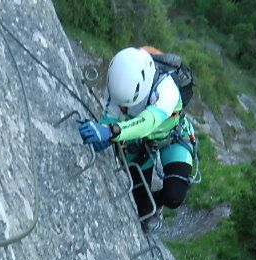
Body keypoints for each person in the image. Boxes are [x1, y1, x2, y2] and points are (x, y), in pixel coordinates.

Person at [78, 46, 196, 233]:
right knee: (142, 208)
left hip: (172, 136)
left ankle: (159, 204)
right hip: (138, 143)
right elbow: (111, 113)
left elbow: (149, 121)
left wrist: (111, 131)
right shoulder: (118, 80)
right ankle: (150, 208)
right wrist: (105, 130)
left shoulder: (167, 89)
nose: (124, 105)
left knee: (174, 196)